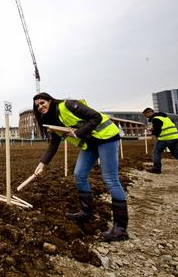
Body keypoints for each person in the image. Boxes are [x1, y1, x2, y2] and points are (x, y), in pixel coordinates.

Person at [32, 92, 129, 241]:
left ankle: (120, 229)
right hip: (90, 143)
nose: (40, 106)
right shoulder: (53, 120)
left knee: (110, 178)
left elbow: (96, 117)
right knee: (79, 174)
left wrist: (78, 133)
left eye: (42, 103)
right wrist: (42, 163)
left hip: (106, 137)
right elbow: (53, 144)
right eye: (37, 105)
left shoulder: (68, 105)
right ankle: (86, 212)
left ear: (50, 101)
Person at [142, 107, 178, 174]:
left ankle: (156, 169)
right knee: (176, 154)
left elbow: (157, 130)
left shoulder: (155, 119)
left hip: (165, 138)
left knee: (156, 152)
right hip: (175, 137)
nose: (146, 117)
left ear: (150, 112)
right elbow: (163, 127)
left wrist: (153, 134)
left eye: (146, 115)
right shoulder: (164, 117)